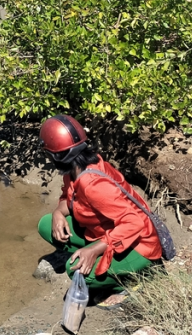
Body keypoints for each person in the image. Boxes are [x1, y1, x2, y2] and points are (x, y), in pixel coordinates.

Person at [37, 114, 163, 305]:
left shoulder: (93, 184)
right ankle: (102, 259)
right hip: (105, 230)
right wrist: (58, 213)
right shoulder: (76, 168)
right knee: (46, 225)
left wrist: (95, 250)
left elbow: (133, 222)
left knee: (75, 270)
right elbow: (70, 198)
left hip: (139, 244)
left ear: (55, 156)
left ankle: (129, 281)